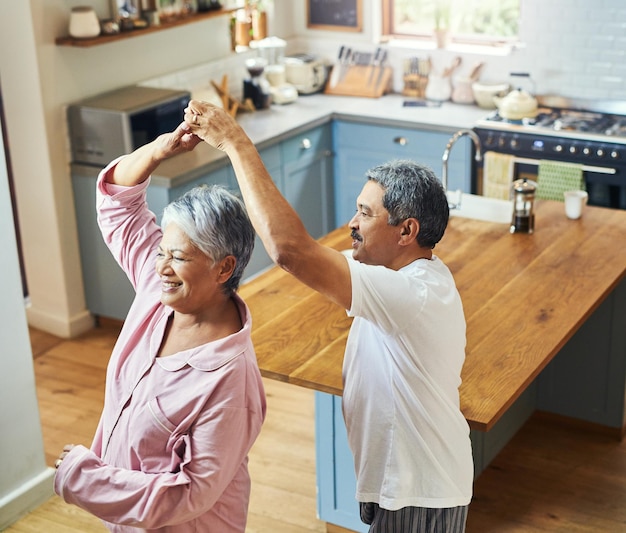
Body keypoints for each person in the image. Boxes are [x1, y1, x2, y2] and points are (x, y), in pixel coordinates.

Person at [182, 101, 473, 532]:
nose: (352, 222)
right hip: (403, 483)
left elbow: (290, 250)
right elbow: (306, 257)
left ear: (407, 232)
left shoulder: (412, 292)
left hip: (418, 490)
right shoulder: (398, 276)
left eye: (366, 213)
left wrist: (234, 142)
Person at [53, 124, 267, 532]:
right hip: (129, 520)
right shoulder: (158, 293)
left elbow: (192, 492)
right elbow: (118, 204)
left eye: (179, 258)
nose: (162, 268)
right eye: (160, 252)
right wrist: (159, 150)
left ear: (224, 267)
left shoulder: (231, 378)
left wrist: (85, 479)